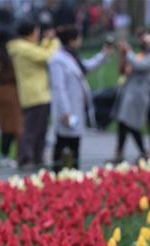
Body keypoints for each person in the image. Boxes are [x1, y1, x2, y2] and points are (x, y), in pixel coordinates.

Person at [48, 25, 110, 171]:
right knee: (63, 144)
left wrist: (103, 55)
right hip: (67, 109)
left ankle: (73, 175)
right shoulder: (57, 60)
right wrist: (65, 112)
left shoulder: (72, 56)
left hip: (75, 107)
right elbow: (59, 88)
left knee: (74, 143)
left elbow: (85, 67)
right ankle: (58, 176)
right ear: (72, 41)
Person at [8, 22, 60, 170]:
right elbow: (47, 56)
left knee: (39, 130)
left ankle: (37, 159)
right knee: (32, 131)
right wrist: (54, 41)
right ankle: (27, 159)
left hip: (36, 95)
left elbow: (40, 51)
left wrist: (47, 41)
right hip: (37, 95)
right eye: (37, 32)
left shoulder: (22, 48)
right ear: (31, 33)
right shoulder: (23, 48)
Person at [112, 31, 150, 162]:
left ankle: (142, 152)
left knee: (132, 125)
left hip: (138, 97)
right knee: (124, 123)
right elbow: (127, 69)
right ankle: (121, 152)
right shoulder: (147, 56)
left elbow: (138, 64)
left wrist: (128, 51)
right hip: (132, 95)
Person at [0, 17, 22, 168]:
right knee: (12, 126)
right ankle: (5, 155)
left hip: (1, 91)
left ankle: (5, 154)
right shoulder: (8, 55)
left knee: (7, 125)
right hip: (11, 91)